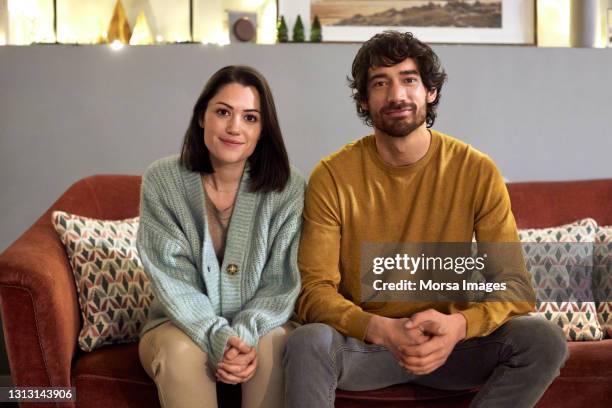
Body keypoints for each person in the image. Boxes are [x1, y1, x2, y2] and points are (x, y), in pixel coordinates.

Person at [284, 31, 568, 408]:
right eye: (380, 83)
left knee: (543, 339)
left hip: (453, 347)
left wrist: (459, 327)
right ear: (365, 101)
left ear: (430, 92)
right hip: (367, 346)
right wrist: (381, 330)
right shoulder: (332, 176)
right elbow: (313, 291)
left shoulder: (476, 170)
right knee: (308, 341)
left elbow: (514, 286)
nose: (396, 95)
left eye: (409, 80)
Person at [137, 65, 304, 408]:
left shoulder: (288, 188)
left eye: (250, 118)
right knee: (184, 353)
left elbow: (280, 281)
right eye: (223, 112)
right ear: (202, 117)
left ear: (262, 130)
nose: (234, 128)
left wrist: (241, 336)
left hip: (264, 323)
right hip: (178, 325)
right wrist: (217, 336)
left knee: (272, 348)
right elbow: (174, 281)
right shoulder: (162, 180)